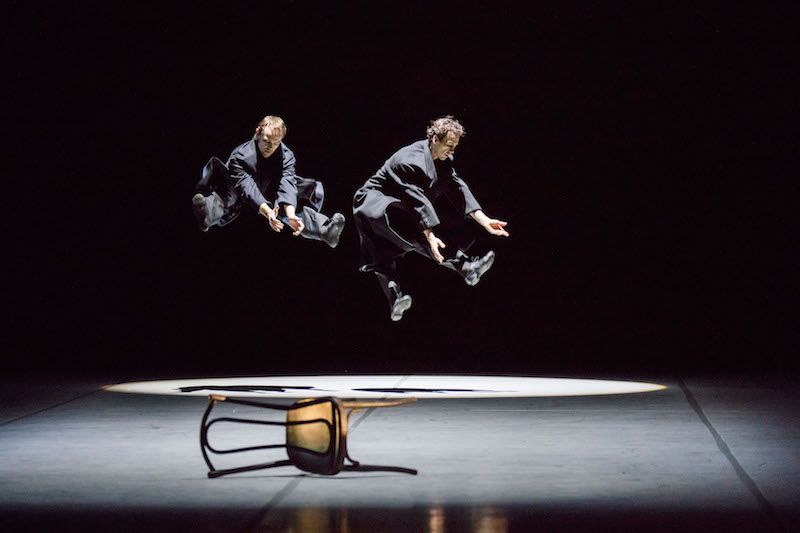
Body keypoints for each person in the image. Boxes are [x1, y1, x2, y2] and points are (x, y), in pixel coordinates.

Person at [353, 116, 509, 321]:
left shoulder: (442, 160)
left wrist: (483, 219)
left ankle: (395, 300)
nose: (452, 151)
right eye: (449, 145)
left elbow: (457, 186)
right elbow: (416, 199)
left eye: (455, 146)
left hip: (396, 208)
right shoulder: (408, 161)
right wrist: (430, 233)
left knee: (384, 257)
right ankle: (466, 267)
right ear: (435, 139)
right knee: (416, 235)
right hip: (373, 205)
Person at [192, 115, 345, 248]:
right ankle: (206, 212)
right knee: (228, 194)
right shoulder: (239, 156)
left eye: (276, 143)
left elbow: (288, 183)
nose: (270, 146)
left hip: (270, 189)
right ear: (257, 133)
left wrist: (290, 213)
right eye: (266, 140)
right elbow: (247, 188)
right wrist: (268, 212)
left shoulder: (287, 155)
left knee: (293, 209)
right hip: (239, 190)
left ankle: (326, 231)